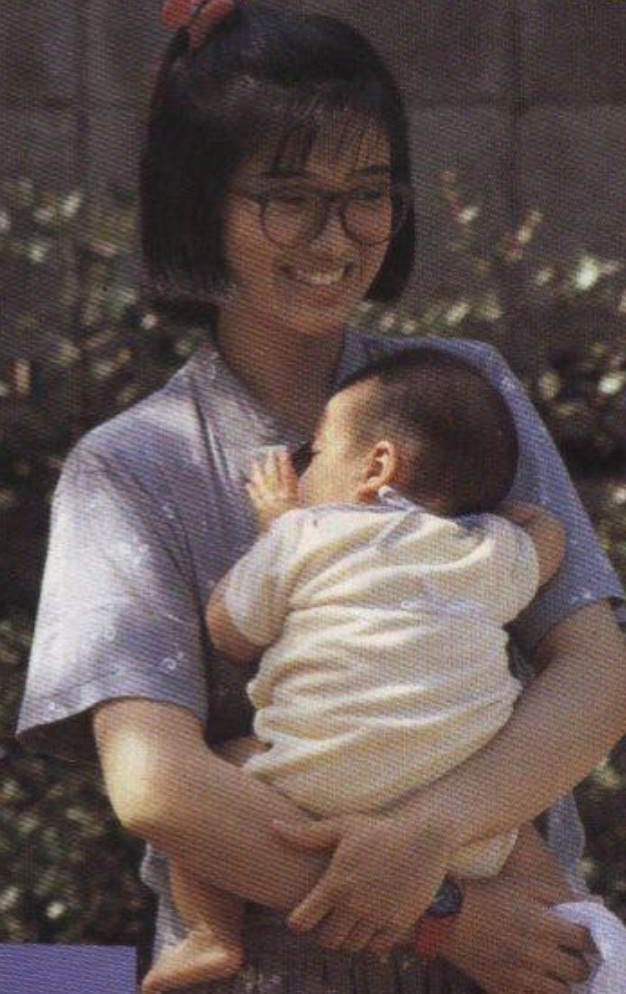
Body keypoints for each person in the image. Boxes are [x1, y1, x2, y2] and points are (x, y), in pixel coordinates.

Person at [15, 0, 626, 993]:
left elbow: (594, 675)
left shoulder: (464, 390)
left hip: (518, 962)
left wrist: (431, 830)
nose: (334, 235)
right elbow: (157, 784)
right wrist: (441, 917)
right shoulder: (128, 469)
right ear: (202, 202)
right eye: (287, 196)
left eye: (367, 192)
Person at [142, 347, 573, 993]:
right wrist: (501, 514)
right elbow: (550, 536)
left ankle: (211, 934)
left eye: (315, 453)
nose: (303, 469)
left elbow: (229, 630)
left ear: (375, 466)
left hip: (313, 786)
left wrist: (277, 527)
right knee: (527, 845)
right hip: (462, 800)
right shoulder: (488, 552)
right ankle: (578, 923)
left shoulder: (305, 534)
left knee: (216, 770)